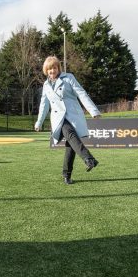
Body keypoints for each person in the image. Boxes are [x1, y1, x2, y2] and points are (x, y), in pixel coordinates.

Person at [35, 56, 101, 185]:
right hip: (58, 118)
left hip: (73, 115)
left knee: (70, 146)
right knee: (69, 134)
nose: (52, 71)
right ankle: (89, 159)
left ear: (58, 68)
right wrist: (39, 122)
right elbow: (44, 105)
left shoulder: (69, 78)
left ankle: (67, 175)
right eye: (49, 69)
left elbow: (81, 93)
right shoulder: (46, 85)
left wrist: (93, 111)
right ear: (46, 70)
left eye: (54, 68)